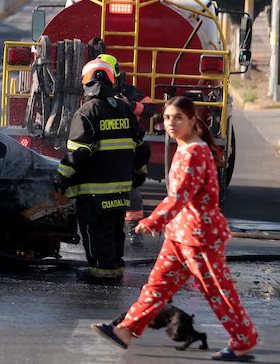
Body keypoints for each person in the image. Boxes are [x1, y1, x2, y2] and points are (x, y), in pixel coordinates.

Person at [91, 96, 259, 361]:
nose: (171, 123)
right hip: (179, 236)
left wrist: (153, 220)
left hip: (199, 237)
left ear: (192, 120)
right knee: (156, 288)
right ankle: (125, 330)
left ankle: (243, 339)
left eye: (178, 118)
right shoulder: (185, 148)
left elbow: (180, 196)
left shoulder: (195, 153)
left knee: (217, 291)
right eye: (167, 118)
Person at [55, 59, 149, 283]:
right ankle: (115, 270)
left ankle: (101, 274)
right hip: (120, 190)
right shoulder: (124, 109)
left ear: (86, 83)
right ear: (111, 81)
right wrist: (139, 173)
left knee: (95, 233)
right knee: (115, 232)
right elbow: (140, 146)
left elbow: (80, 152)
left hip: (93, 192)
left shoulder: (86, 112)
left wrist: (61, 177)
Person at [99, 53, 157, 247]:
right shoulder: (93, 92)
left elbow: (150, 109)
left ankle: (134, 234)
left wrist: (130, 105)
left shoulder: (128, 91)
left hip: (125, 151)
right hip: (101, 151)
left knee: (131, 194)